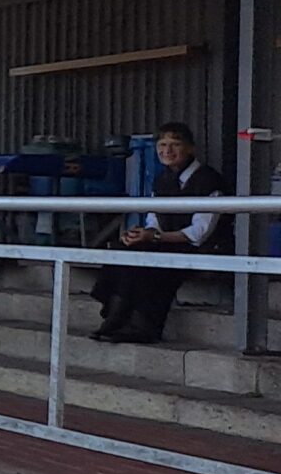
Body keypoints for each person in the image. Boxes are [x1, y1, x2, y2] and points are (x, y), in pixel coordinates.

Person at [90, 122, 228, 344]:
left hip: (202, 248)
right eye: (162, 145)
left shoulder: (209, 180)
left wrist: (155, 237)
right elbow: (154, 220)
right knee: (124, 249)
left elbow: (199, 233)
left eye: (175, 144)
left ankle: (143, 326)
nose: (167, 150)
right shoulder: (162, 180)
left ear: (190, 148)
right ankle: (115, 315)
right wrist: (142, 234)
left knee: (153, 263)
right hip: (168, 242)